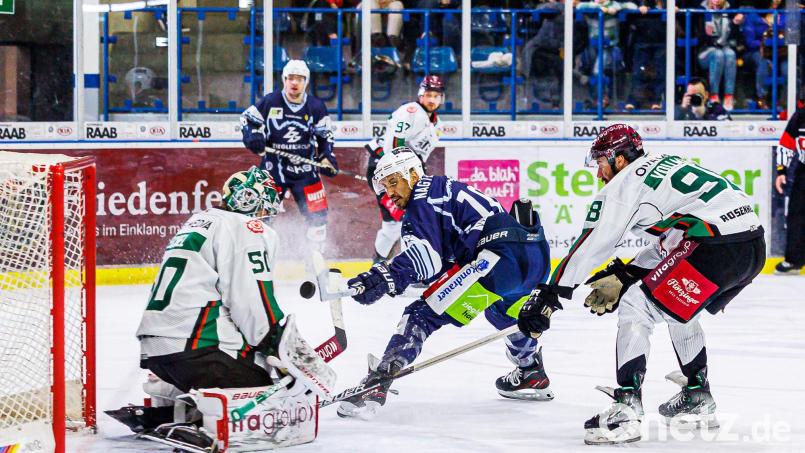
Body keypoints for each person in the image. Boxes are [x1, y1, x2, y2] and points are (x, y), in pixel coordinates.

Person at [517, 124, 765, 445]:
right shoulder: (665, 162)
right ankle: (698, 396)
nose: (598, 175)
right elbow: (675, 238)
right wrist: (628, 272)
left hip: (715, 245)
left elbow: (594, 241)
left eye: (601, 165)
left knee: (637, 304)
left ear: (620, 160)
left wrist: (551, 293)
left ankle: (626, 410)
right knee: (677, 308)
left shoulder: (623, 184)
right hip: (751, 244)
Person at [337, 148, 553, 418]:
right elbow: (444, 263)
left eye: (393, 182)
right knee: (502, 312)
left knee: (421, 315)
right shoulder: (444, 190)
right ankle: (530, 370)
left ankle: (376, 385)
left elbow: (427, 261)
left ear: (413, 173)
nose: (389, 193)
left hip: (498, 260)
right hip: (535, 256)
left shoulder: (422, 198)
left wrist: (384, 276)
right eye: (384, 186)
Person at [240, 60, 338, 254]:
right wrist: (253, 136)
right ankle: (259, 260)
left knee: (318, 219)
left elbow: (325, 136)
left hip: (305, 170)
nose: (295, 83)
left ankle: (314, 263)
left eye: (300, 79)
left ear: (306, 82)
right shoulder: (270, 101)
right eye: (290, 78)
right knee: (260, 217)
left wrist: (327, 156)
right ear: (284, 80)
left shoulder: (316, 107)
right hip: (272, 169)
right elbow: (247, 120)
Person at [365, 75, 445, 262]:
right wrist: (395, 177)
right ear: (420, 94)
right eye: (428, 95)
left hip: (404, 176)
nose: (432, 100)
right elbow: (393, 145)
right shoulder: (411, 112)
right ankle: (382, 266)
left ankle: (396, 266)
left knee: (403, 223)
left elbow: (419, 157)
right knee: (402, 222)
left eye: (436, 95)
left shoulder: (437, 124)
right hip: (385, 172)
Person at [695, 0, 743, 111]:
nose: (716, 2)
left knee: (730, 54)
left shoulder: (729, 11)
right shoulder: (700, 11)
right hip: (705, 51)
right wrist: (705, 32)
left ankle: (729, 96)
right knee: (718, 55)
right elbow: (698, 39)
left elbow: (735, 38)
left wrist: (736, 24)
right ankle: (713, 95)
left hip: (725, 48)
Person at [774, 108, 805, 274]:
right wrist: (781, 171)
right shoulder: (800, 116)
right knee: (796, 214)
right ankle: (794, 260)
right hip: (803, 170)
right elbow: (786, 143)